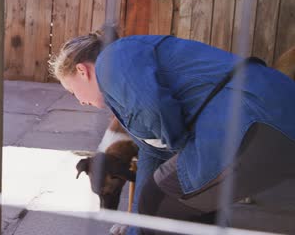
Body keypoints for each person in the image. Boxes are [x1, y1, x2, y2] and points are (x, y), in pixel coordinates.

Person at [49, 31, 295, 234]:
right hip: (267, 120)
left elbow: (154, 108)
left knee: (159, 202)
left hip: (256, 118)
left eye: (73, 92)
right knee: (186, 202)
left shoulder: (112, 60)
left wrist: (182, 150)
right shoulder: (121, 92)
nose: (79, 101)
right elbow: (150, 156)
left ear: (82, 71)